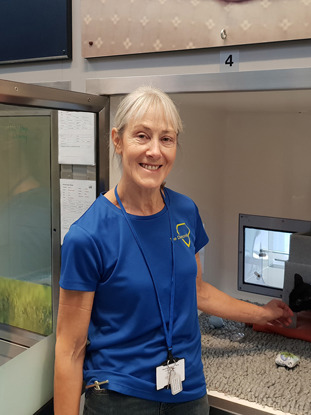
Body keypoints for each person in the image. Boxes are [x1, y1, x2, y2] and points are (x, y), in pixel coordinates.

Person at [54, 86, 293, 415]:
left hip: (189, 392)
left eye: (166, 139)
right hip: (120, 398)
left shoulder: (185, 212)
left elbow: (196, 291)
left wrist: (263, 314)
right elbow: (70, 348)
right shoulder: (88, 236)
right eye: (142, 136)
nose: (155, 151)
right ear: (117, 140)